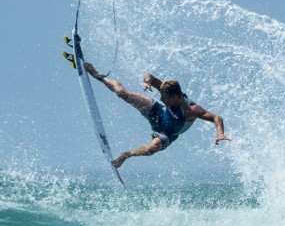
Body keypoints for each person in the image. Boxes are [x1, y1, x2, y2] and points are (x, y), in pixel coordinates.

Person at [84, 62, 229, 170]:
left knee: (150, 150)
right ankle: (98, 76)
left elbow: (217, 118)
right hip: (157, 113)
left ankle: (125, 155)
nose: (162, 99)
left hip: (167, 132)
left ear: (175, 97)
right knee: (123, 94)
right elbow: (149, 76)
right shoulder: (167, 89)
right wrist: (147, 83)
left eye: (165, 97)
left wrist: (220, 133)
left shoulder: (191, 109)